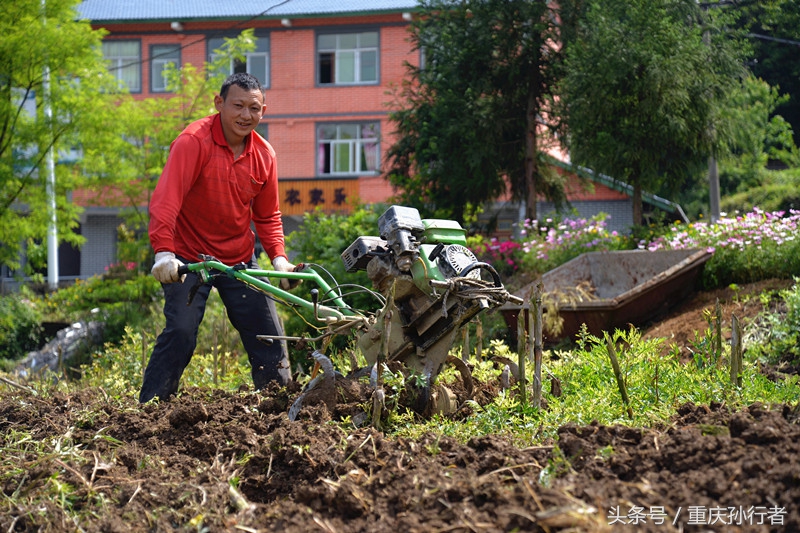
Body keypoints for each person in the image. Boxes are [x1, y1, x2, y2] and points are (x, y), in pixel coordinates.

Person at [140, 72, 294, 403]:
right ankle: (151, 409)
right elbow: (166, 200)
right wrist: (164, 253)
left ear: (263, 111)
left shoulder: (264, 155)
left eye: (254, 108)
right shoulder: (193, 142)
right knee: (181, 331)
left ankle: (281, 409)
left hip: (238, 258)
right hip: (188, 257)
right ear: (219, 103)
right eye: (238, 106)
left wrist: (279, 260)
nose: (245, 115)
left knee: (268, 335)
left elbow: (267, 216)